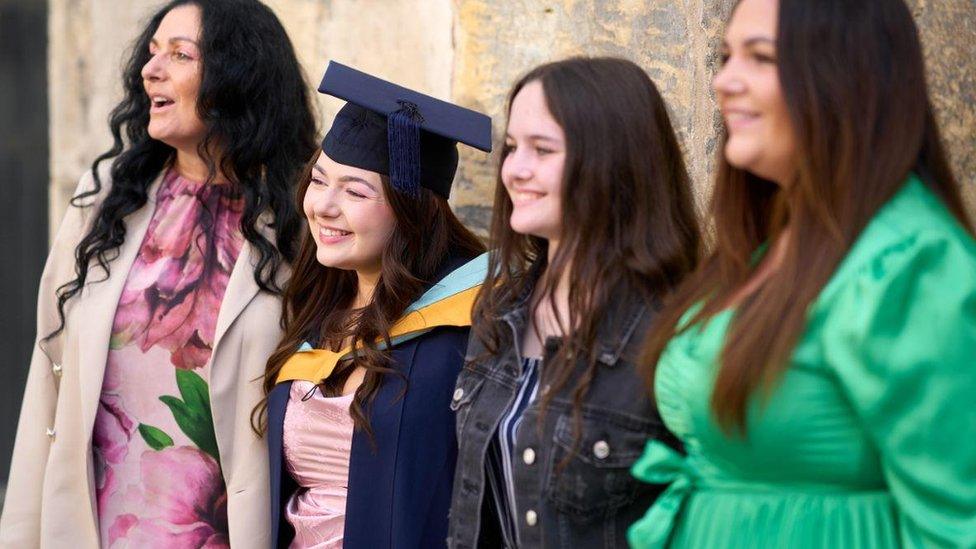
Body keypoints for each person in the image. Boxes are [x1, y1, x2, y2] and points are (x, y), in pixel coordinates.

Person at [630, 0, 976, 547]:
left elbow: (958, 525)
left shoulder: (911, 264)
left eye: (761, 58)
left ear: (847, 79)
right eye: (725, 56)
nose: (724, 82)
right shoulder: (767, 247)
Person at [0, 1, 317, 547]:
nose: (151, 71)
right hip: (100, 529)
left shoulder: (302, 219)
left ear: (237, 75)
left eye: (180, 55)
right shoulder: (103, 205)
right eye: (152, 55)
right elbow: (46, 385)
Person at [446, 57, 702, 548]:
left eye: (543, 150)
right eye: (514, 147)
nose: (515, 170)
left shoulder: (673, 333)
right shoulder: (498, 313)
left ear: (614, 163)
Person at [256, 61, 491, 548]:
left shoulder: (462, 331)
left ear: (412, 210)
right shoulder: (319, 315)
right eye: (318, 181)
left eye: (355, 191)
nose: (322, 206)